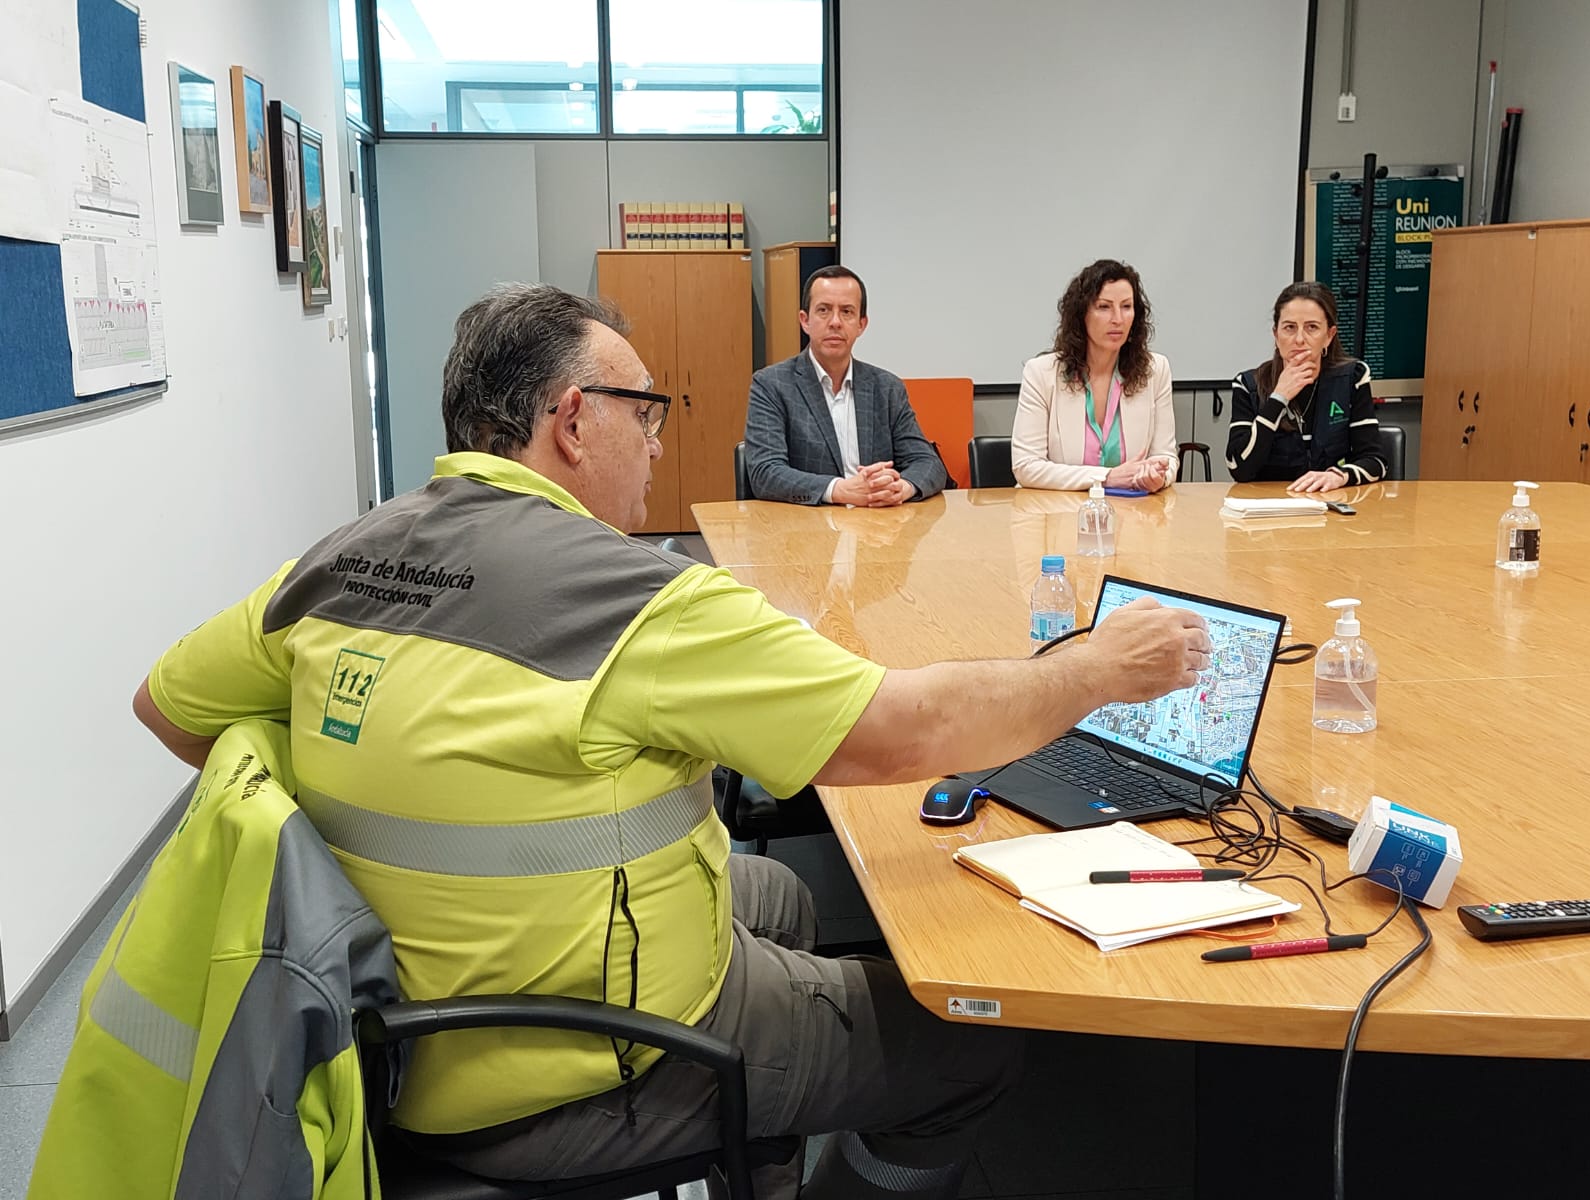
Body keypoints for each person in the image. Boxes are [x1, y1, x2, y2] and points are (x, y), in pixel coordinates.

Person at [131, 283, 1210, 1200]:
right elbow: (901, 732)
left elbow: (170, 708)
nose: (655, 440)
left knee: (785, 899)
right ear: (569, 418)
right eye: (642, 413)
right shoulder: (634, 602)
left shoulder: (343, 558)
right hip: (580, 1058)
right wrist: (1093, 670)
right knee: (967, 1039)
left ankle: (778, 1115)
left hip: (379, 1021)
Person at [745, 265, 949, 506]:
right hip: (808, 529)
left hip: (879, 530)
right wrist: (839, 490)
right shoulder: (772, 385)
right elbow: (765, 473)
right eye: (823, 310)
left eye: (847, 312)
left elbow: (928, 463)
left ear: (861, 324)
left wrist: (900, 488)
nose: (835, 322)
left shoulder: (887, 388)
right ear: (805, 321)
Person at [1011, 259, 1178, 492]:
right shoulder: (1041, 373)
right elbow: (1026, 466)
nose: (1118, 319)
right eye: (1104, 307)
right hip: (1058, 516)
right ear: (1082, 315)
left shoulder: (1156, 370)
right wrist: (1106, 477)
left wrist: (1156, 475)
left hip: (1134, 516)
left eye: (1127, 306)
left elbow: (1166, 457)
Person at [1226, 281, 1388, 490]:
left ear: (1329, 336)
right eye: (1289, 328)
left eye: (1312, 327)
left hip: (1331, 507)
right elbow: (1239, 468)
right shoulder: (1249, 385)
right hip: (1269, 511)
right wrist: (1278, 398)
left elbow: (1376, 461)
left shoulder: (1352, 378)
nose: (1299, 339)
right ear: (1276, 335)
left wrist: (1339, 476)